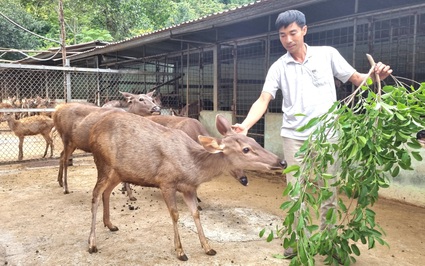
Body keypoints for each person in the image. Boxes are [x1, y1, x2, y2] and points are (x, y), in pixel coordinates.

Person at [231, 10, 393, 259]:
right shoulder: (278, 66)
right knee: (297, 193)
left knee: (329, 191)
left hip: (328, 137)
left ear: (304, 30)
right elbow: (264, 99)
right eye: (282, 35)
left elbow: (357, 79)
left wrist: (375, 76)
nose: (288, 40)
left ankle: (329, 242)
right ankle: (297, 243)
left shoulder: (327, 54)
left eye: (292, 33)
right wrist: (245, 125)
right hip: (294, 138)